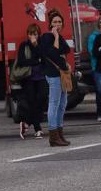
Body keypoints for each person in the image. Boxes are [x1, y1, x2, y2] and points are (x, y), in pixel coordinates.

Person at [38, 9, 72, 146]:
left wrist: (59, 37)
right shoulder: (47, 37)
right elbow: (54, 52)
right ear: (50, 24)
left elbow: (66, 50)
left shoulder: (60, 37)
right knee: (54, 103)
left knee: (62, 104)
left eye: (59, 22)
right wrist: (56, 37)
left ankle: (59, 133)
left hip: (61, 74)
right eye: (54, 22)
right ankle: (53, 135)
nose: (57, 24)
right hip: (53, 75)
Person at [16, 24, 47, 139]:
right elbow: (21, 61)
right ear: (27, 35)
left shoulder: (41, 45)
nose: (32, 36)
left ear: (38, 35)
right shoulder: (23, 45)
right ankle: (38, 129)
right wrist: (36, 61)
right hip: (28, 78)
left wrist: (36, 46)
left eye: (35, 34)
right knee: (32, 101)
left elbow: (44, 58)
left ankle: (27, 122)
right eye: (30, 34)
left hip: (41, 77)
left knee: (42, 97)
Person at [86, 19, 101, 121]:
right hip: (97, 67)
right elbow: (92, 52)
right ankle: (100, 113)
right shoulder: (93, 37)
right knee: (100, 90)